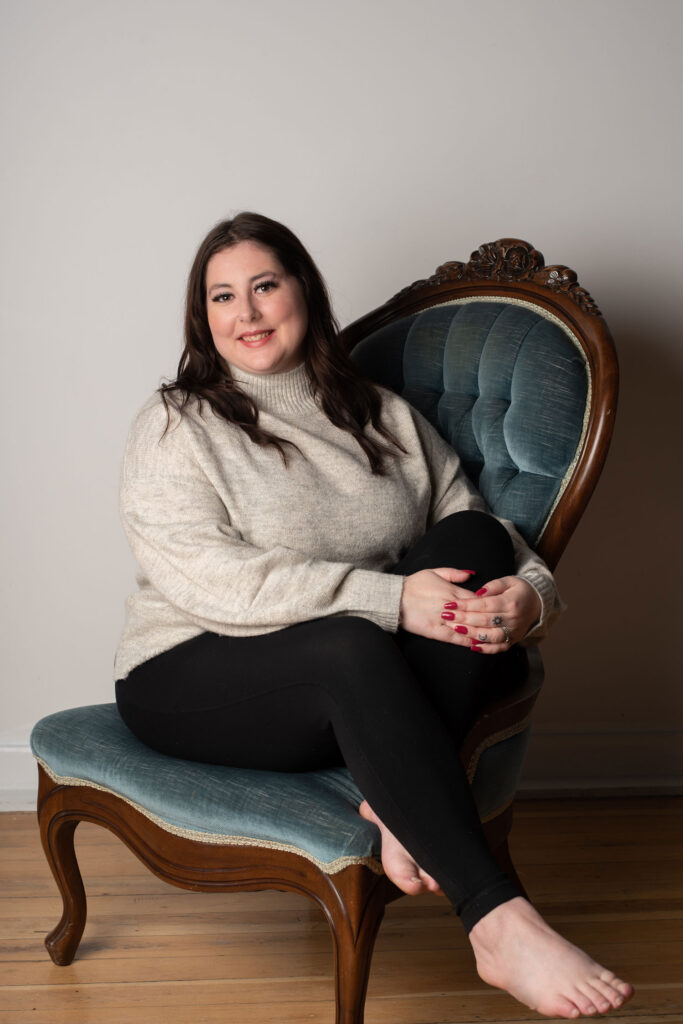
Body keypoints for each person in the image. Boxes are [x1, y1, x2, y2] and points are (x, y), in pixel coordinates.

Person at [114, 212, 633, 1020]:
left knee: (464, 541)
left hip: (352, 677)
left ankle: (397, 799)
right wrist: (392, 598)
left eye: (263, 286)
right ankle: (494, 918)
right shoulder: (179, 422)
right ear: (202, 317)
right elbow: (210, 581)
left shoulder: (380, 415)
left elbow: (481, 528)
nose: (245, 314)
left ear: (303, 293)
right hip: (191, 670)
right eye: (222, 297)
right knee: (352, 644)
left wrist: (533, 598)